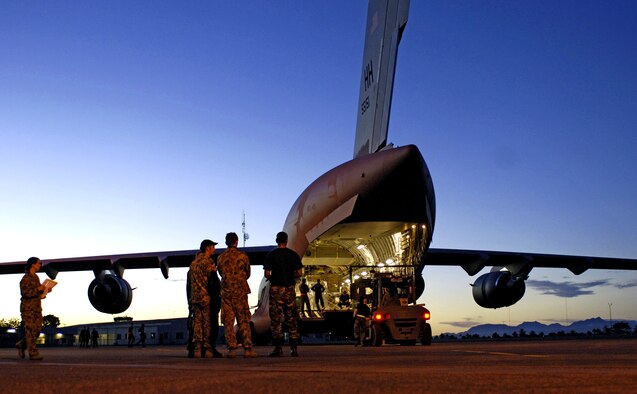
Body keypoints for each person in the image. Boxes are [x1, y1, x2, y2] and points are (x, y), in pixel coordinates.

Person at [217, 232, 257, 358]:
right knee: (243, 320)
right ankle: (247, 349)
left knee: (228, 322)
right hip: (240, 292)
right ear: (237, 241)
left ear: (226, 242)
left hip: (227, 293)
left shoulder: (220, 258)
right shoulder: (243, 256)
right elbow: (248, 272)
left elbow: (220, 273)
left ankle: (232, 349)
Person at [264, 231, 303, 357]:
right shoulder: (293, 255)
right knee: (291, 317)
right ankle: (294, 348)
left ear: (276, 240)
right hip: (289, 289)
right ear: (286, 241)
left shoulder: (271, 255)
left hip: (276, 289)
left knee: (276, 319)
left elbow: (267, 274)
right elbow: (299, 273)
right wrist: (290, 275)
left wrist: (275, 276)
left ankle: (278, 348)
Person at [188, 239, 218, 358]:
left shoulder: (193, 263)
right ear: (208, 248)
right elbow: (213, 281)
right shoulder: (209, 262)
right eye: (213, 247)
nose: (214, 249)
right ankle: (208, 349)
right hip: (206, 297)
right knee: (207, 323)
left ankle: (197, 349)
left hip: (195, 298)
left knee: (197, 324)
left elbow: (189, 283)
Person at [19, 257, 48, 360]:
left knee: (37, 330)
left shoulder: (36, 278)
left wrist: (44, 292)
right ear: (33, 264)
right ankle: (33, 353)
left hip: (37, 308)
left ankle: (22, 345)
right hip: (27, 309)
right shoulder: (25, 278)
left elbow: (37, 294)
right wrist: (38, 289)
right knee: (30, 330)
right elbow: (25, 293)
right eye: (39, 263)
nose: (40, 265)